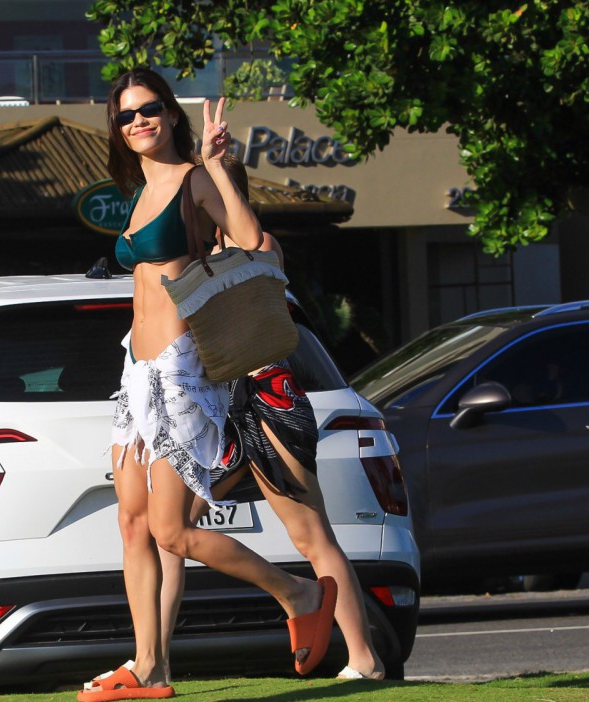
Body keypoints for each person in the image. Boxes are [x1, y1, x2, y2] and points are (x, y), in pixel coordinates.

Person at [79, 68, 337, 702]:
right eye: (126, 115)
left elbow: (252, 241)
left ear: (170, 114)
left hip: (179, 372)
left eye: (148, 109)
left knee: (173, 533)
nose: (137, 121)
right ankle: (148, 670)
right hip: (134, 372)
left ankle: (299, 593)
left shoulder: (193, 179)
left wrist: (217, 165)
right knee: (133, 528)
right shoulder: (136, 191)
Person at [155, 156, 386, 682]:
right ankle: (155, 661)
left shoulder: (256, 249)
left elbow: (254, 243)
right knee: (168, 531)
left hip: (268, 399)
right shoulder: (192, 256)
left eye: (206, 192)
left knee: (311, 534)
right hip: (215, 411)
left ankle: (363, 658)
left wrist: (215, 168)